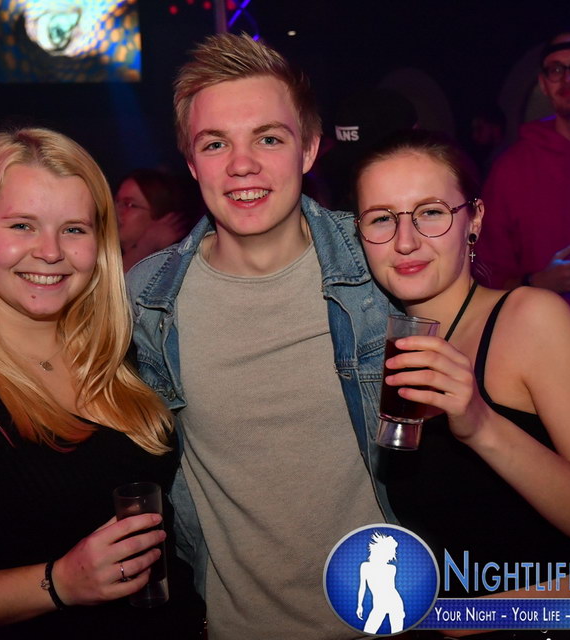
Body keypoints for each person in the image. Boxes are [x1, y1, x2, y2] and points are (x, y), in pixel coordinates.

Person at [127, 33, 393, 640]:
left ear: (309, 149)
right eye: (215, 143)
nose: (241, 164)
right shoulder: (146, 298)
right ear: (191, 163)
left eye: (268, 138)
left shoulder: (381, 264)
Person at [0, 127, 204, 639]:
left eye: (74, 229)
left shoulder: (121, 354)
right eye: (22, 225)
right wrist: (59, 583)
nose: (50, 251)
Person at [353, 130, 570, 610]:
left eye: (431, 212)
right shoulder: (371, 350)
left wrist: (480, 424)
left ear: (474, 219)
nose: (405, 241)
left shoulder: (530, 318)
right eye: (382, 218)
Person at [475, 30, 570, 305]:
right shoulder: (511, 170)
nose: (567, 78)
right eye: (556, 69)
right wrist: (536, 283)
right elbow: (485, 274)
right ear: (543, 84)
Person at [115, 169, 198, 272]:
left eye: (129, 204)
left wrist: (146, 245)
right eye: (117, 201)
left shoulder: (176, 265)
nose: (116, 209)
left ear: (161, 216)